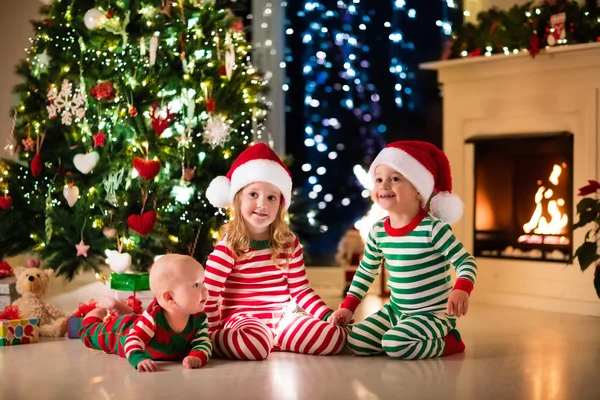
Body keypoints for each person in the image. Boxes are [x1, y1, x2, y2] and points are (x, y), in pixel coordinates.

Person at [331, 141, 477, 360]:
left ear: (418, 190)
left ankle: (448, 342)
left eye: (395, 179)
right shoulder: (378, 231)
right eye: (379, 179)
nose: (384, 186)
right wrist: (348, 307)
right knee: (357, 340)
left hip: (433, 315)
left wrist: (461, 288)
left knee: (394, 345)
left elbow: (466, 261)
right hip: (396, 311)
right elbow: (365, 272)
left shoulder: (433, 228)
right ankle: (402, 334)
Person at [204, 143, 347, 360]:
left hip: (282, 321)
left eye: (272, 197)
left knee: (333, 338)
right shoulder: (229, 246)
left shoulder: (289, 243)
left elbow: (301, 291)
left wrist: (327, 316)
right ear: (237, 199)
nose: (262, 204)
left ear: (280, 205)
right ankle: (225, 341)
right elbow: (210, 294)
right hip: (243, 322)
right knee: (255, 345)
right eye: (253, 194)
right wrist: (211, 333)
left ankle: (276, 340)